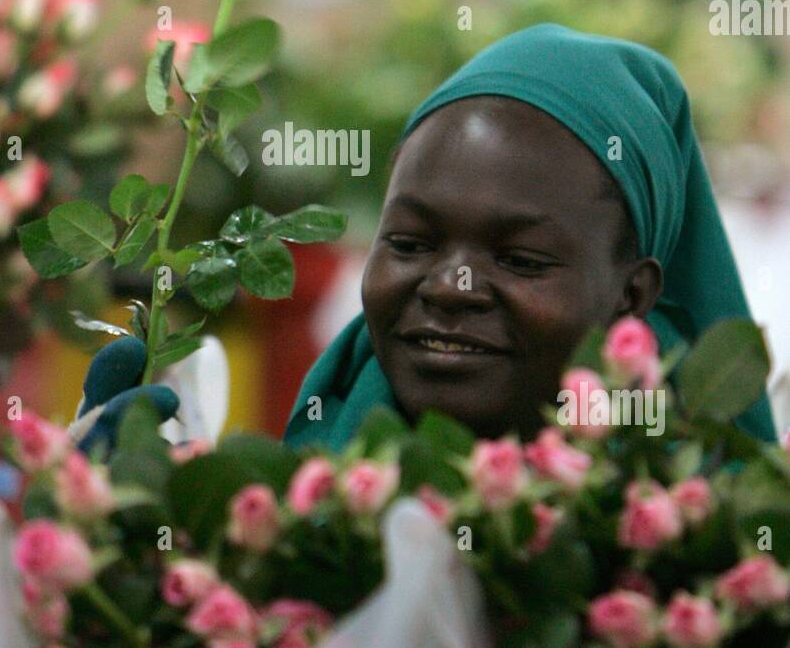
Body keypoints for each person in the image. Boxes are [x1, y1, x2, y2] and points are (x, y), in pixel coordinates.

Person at [283, 24, 776, 449]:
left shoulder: (694, 525)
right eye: (410, 245)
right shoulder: (291, 508)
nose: (449, 287)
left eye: (520, 260)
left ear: (632, 295)